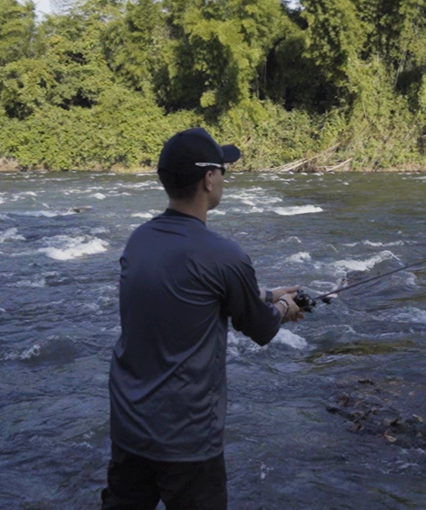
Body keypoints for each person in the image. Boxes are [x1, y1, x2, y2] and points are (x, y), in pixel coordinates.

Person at [102, 127, 304, 510]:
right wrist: (282, 308)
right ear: (209, 179)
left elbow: (188, 294)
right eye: (223, 171)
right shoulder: (224, 254)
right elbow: (261, 328)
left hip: (129, 426)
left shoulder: (138, 240)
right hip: (188, 439)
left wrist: (265, 294)